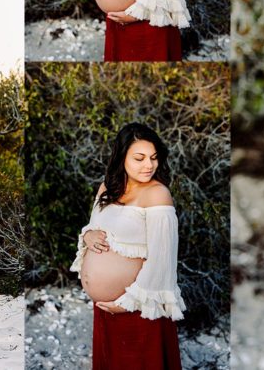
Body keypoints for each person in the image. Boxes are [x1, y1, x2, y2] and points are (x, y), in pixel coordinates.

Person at [71, 123, 185, 370]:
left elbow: (162, 259)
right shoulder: (107, 188)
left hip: (140, 306)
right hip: (105, 309)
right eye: (139, 158)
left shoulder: (157, 194)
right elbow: (94, 227)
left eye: (154, 158)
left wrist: (127, 302)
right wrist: (88, 236)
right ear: (122, 157)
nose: (149, 165)